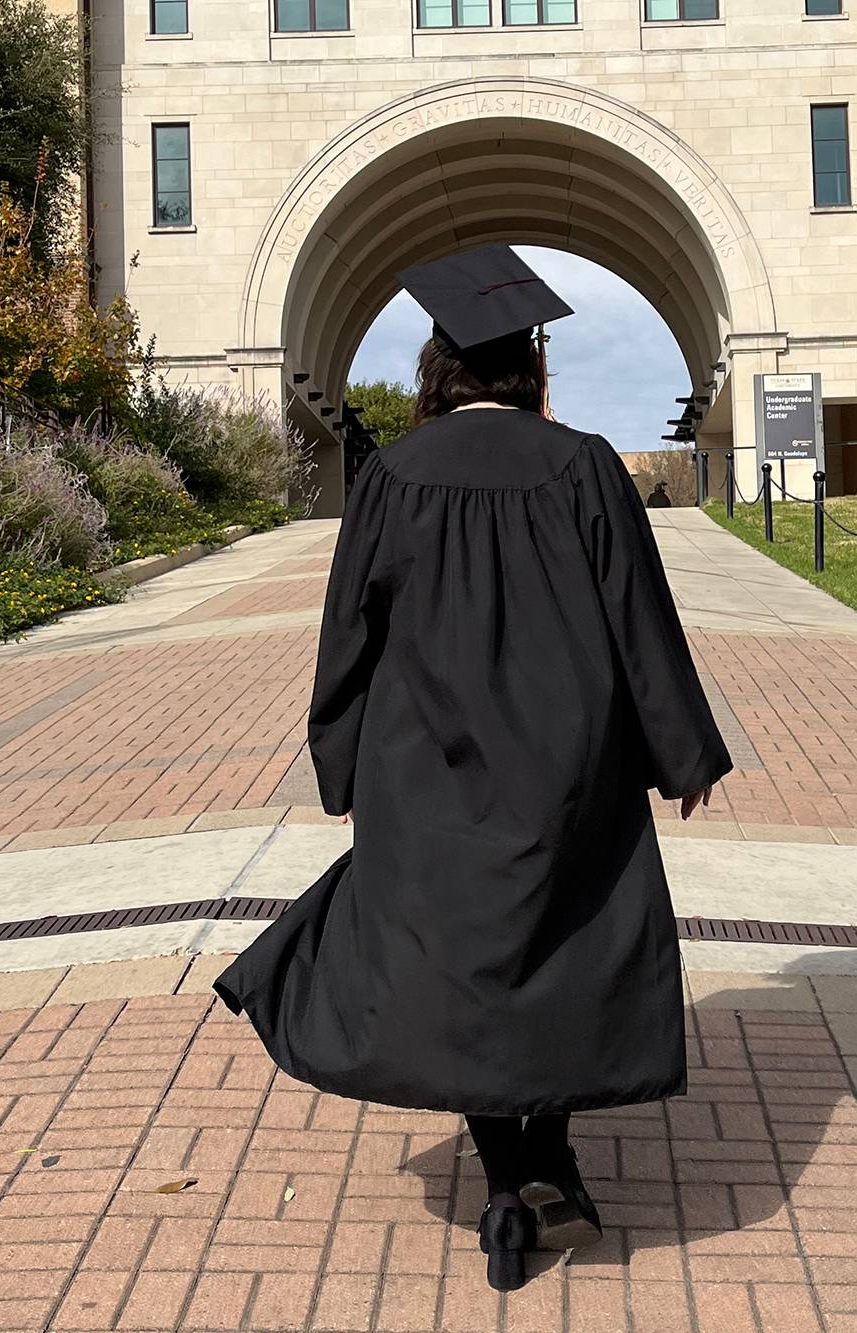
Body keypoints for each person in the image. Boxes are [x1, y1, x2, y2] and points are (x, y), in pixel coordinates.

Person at [215, 244, 733, 1294]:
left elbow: (347, 633)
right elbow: (639, 617)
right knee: (557, 948)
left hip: (425, 768)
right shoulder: (584, 465)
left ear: (437, 373)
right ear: (529, 372)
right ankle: (546, 1160)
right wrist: (681, 747)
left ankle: (507, 1186)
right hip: (567, 762)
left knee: (464, 967)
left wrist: (341, 756)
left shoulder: (391, 477)